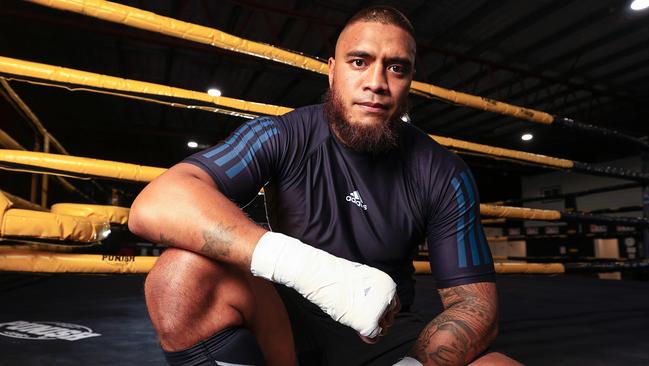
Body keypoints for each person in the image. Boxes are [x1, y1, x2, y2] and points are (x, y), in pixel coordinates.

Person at [129, 6, 521, 366]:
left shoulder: (443, 172)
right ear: (332, 71)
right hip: (284, 321)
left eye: (396, 68)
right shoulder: (283, 135)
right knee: (179, 276)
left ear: (409, 81)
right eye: (359, 62)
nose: (376, 82)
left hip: (384, 334)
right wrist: (315, 273)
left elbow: (475, 306)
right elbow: (156, 204)